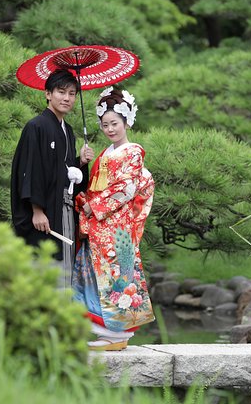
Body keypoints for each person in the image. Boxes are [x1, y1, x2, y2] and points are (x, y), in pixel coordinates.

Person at [72, 86, 155, 351]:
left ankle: (117, 334)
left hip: (116, 226)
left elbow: (126, 189)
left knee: (116, 277)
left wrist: (92, 207)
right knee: (92, 276)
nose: (110, 129)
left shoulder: (132, 152)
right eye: (105, 124)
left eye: (115, 123)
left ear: (127, 121)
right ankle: (104, 332)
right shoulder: (105, 153)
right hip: (99, 224)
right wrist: (84, 164)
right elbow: (96, 185)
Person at [10, 69, 94, 285]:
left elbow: (64, 174)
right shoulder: (36, 127)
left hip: (63, 210)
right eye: (61, 92)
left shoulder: (68, 131)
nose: (67, 98)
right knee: (44, 264)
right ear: (48, 94)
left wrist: (80, 163)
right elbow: (30, 169)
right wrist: (36, 210)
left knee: (64, 263)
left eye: (72, 93)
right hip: (44, 211)